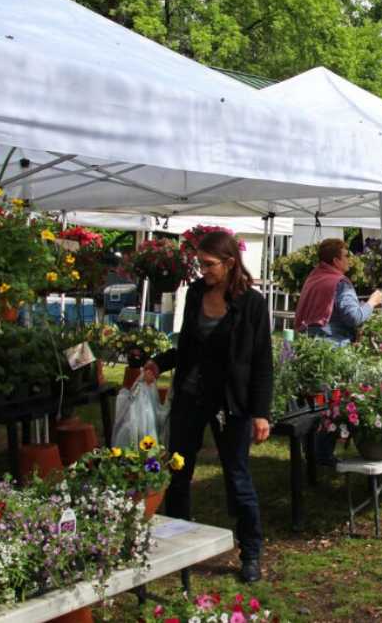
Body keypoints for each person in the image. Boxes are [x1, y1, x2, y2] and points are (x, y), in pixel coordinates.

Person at [143, 230, 272, 583]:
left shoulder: (252, 303)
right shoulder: (198, 292)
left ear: (230, 263)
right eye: (200, 264)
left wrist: (261, 412)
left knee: (237, 476)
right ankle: (177, 546)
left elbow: (262, 360)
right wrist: (159, 362)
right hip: (191, 395)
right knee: (179, 472)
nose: (203, 271)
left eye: (209, 264)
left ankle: (251, 552)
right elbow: (187, 345)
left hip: (231, 403)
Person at [294, 238, 382, 346]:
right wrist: (372, 302)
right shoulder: (340, 283)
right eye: (346, 256)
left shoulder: (313, 278)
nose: (349, 260)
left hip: (307, 343)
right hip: (332, 347)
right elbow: (354, 318)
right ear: (336, 261)